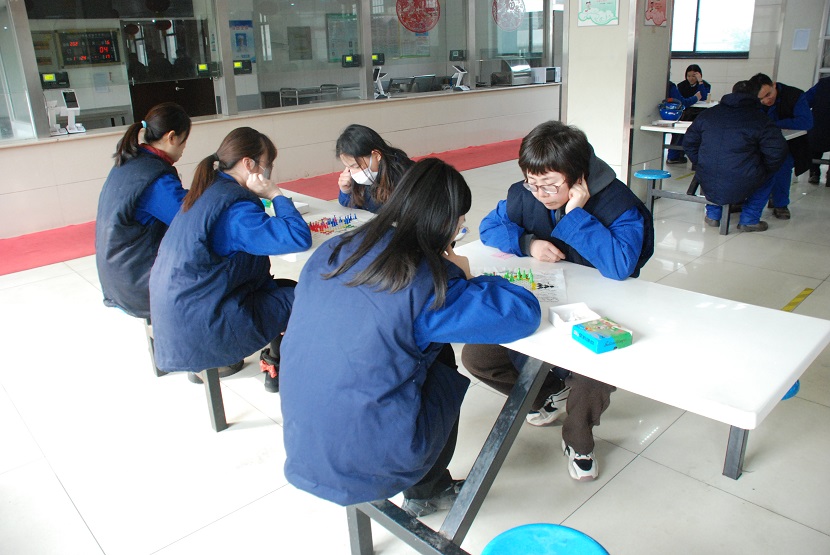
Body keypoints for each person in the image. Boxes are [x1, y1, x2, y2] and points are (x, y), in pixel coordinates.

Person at [279, 158, 541, 515]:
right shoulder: (427, 281)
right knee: (441, 359)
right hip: (372, 461)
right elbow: (523, 314)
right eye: (460, 226)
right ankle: (427, 491)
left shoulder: (335, 249)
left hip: (302, 441)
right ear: (446, 224)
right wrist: (465, 276)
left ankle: (426, 486)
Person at [461, 121, 654, 482]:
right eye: (532, 183)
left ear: (579, 176)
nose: (541, 194)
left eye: (550, 184)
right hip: (544, 301)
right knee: (478, 357)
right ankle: (545, 395)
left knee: (593, 374)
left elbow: (620, 265)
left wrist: (576, 215)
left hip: (599, 310)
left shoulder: (618, 203)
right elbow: (490, 227)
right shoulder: (525, 194)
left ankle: (578, 439)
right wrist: (527, 243)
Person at [149, 127, 312, 392]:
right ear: (249, 164)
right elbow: (297, 236)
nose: (269, 172)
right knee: (308, 299)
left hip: (183, 312)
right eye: (267, 165)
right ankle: (294, 373)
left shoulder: (208, 190)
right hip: (204, 324)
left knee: (286, 289)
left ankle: (276, 364)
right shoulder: (235, 209)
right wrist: (275, 195)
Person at [683, 80, 789, 232]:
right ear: (755, 96)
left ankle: (713, 215)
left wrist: (701, 162)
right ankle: (749, 220)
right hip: (744, 176)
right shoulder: (761, 120)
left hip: (708, 173)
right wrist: (764, 169)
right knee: (769, 177)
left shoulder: (708, 114)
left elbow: (689, 143)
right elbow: (777, 151)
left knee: (713, 174)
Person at [749, 73, 814, 220]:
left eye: (768, 95)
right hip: (759, 143)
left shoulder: (795, 95)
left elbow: (806, 122)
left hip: (789, 144)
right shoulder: (752, 99)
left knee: (782, 165)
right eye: (761, 99)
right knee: (743, 162)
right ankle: (741, 201)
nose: (766, 101)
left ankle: (780, 203)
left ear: (774, 85)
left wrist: (774, 124)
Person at [335, 124, 413, 213]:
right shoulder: (367, 173)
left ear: (376, 155)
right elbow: (352, 207)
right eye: (348, 167)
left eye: (356, 166)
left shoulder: (404, 176)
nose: (353, 173)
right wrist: (346, 191)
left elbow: (382, 212)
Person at [666, 65, 712, 165]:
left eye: (694, 76)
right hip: (684, 113)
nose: (691, 78)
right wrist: (694, 98)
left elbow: (704, 97)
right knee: (678, 135)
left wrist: (700, 82)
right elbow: (682, 101)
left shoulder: (705, 85)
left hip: (698, 113)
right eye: (689, 76)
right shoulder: (681, 85)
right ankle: (674, 155)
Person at [805, 76, 830, 185]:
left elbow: (805, 101)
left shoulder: (823, 84)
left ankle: (814, 172)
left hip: (818, 130)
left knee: (814, 147)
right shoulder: (823, 84)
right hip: (820, 130)